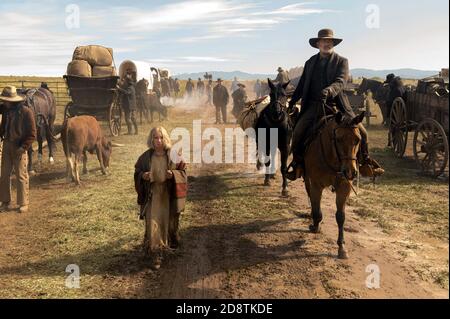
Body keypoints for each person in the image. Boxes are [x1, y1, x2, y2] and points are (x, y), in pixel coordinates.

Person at [286, 29, 384, 181]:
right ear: (318, 44)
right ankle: (298, 164)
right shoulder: (310, 62)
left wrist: (329, 90)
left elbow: (341, 81)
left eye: (329, 41)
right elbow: (303, 84)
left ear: (333, 44)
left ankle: (365, 163)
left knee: (362, 132)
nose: (326, 44)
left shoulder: (342, 61)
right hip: (314, 105)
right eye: (324, 41)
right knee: (298, 131)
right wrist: (292, 100)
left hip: (338, 105)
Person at [134, 127, 187, 269]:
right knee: (153, 223)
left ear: (165, 139)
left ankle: (169, 245)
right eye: (155, 138)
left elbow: (183, 173)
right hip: (153, 195)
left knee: (168, 222)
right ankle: (156, 254)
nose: (158, 141)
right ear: (151, 139)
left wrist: (174, 175)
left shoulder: (175, 156)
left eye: (161, 138)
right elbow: (137, 172)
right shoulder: (145, 157)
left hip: (168, 195)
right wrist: (143, 176)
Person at [0, 86, 37, 214]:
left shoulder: (26, 112)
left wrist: (23, 148)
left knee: (21, 175)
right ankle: (5, 201)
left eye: (5, 100)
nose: (3, 102)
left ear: (12, 100)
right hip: (7, 144)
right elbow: (3, 126)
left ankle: (23, 203)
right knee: (4, 175)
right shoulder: (6, 110)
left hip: (19, 146)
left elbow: (32, 134)